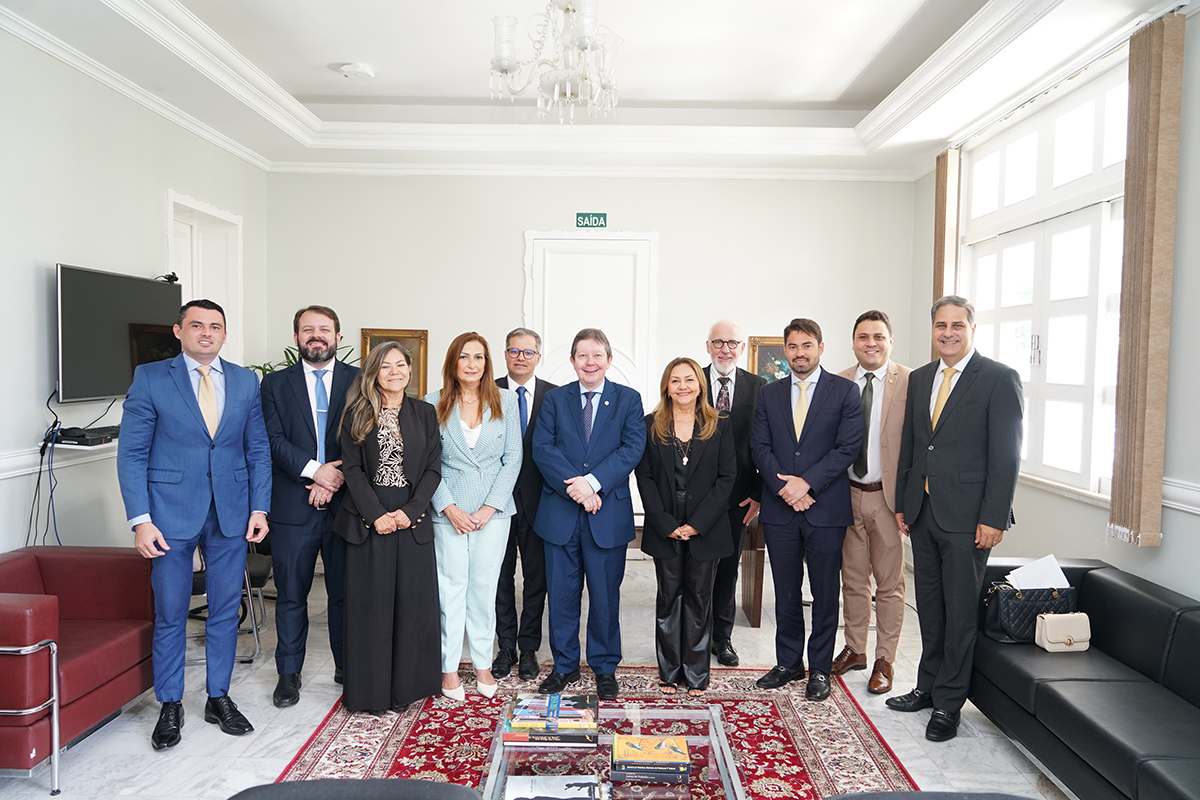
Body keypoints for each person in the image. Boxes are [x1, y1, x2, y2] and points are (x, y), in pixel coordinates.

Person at [117, 299, 271, 750]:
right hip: (168, 515)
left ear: (224, 334)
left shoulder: (245, 380)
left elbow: (257, 449)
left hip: (231, 512)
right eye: (197, 325)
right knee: (171, 612)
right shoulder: (151, 378)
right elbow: (132, 454)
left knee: (225, 609)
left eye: (215, 326)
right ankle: (170, 703)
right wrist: (141, 520)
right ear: (179, 331)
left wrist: (259, 508)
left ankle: (218, 697)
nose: (207, 333)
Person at [888, 295, 1023, 742]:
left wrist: (994, 517)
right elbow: (913, 444)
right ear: (933, 330)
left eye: (957, 325)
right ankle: (926, 686)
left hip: (969, 519)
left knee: (961, 612)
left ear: (972, 329)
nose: (948, 333)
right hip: (923, 513)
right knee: (930, 607)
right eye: (941, 325)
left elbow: (1006, 455)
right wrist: (904, 501)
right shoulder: (922, 377)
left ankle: (949, 703)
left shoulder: (998, 378)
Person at [750, 318, 862, 701]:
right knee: (785, 591)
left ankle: (819, 669)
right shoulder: (768, 393)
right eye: (793, 346)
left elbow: (847, 448)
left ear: (820, 347)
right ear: (785, 350)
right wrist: (787, 489)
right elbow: (759, 447)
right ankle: (788, 663)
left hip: (825, 509)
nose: (800, 353)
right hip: (780, 509)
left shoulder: (845, 391)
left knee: (825, 593)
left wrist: (807, 484)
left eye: (807, 345)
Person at [532, 327, 647, 701]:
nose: (590, 362)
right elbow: (543, 448)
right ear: (572, 361)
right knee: (561, 597)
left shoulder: (628, 399)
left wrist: (594, 483)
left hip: (606, 516)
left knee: (605, 598)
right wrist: (577, 489)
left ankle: (604, 667)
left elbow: (632, 448)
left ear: (609, 360)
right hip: (560, 515)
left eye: (597, 355)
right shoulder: (554, 399)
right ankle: (564, 666)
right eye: (583, 355)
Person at [333, 343, 442, 713]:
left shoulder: (425, 412)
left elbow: (433, 469)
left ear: (410, 370)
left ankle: (406, 691)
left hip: (412, 520)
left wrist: (410, 511)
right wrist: (375, 513)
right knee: (372, 610)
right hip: (368, 520)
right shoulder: (357, 412)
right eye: (385, 366)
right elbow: (351, 469)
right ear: (373, 373)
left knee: (411, 608)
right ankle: (371, 695)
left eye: (400, 365)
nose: (394, 372)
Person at [259, 305, 359, 708]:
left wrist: (335, 478)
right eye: (308, 329)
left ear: (337, 337)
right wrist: (316, 472)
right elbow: (271, 438)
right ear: (296, 337)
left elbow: (366, 438)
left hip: (346, 506)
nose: (316, 336)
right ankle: (288, 674)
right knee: (290, 596)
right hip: (291, 507)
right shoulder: (274, 384)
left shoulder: (359, 381)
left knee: (344, 595)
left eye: (324, 329)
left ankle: (347, 667)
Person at [425, 332, 522, 700]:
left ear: (487, 363)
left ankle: (483, 664)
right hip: (448, 511)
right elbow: (428, 462)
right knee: (450, 590)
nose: (471, 364)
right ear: (453, 362)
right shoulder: (432, 403)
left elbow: (513, 458)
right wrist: (449, 508)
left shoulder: (506, 401)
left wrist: (488, 508)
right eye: (464, 356)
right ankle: (448, 668)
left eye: (478, 357)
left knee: (483, 590)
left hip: (492, 513)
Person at [635, 357, 736, 696]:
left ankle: (695, 674)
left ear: (700, 385)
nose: (683, 386)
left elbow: (727, 478)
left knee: (698, 599)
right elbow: (645, 477)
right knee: (668, 598)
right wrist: (665, 523)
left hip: (705, 527)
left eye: (689, 380)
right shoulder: (651, 425)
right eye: (675, 380)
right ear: (666, 387)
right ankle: (669, 671)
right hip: (664, 525)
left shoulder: (719, 424)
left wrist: (697, 524)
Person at [833, 310, 910, 695]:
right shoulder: (839, 382)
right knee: (852, 579)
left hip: (887, 498)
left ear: (890, 341)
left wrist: (909, 502)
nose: (871, 343)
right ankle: (856, 649)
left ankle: (885, 659)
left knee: (890, 585)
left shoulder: (910, 382)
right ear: (853, 342)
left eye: (878, 336)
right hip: (847, 495)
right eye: (863, 337)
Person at [492, 327, 557, 682]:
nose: (521, 357)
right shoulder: (486, 391)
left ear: (538, 357)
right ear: (505, 354)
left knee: (536, 579)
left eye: (528, 352)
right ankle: (505, 647)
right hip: (494, 503)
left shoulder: (556, 396)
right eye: (514, 351)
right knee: (499, 578)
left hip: (540, 504)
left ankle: (529, 647)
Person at [702, 320, 766, 667]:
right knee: (696, 570)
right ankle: (695, 635)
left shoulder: (759, 387)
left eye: (732, 343)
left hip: (739, 498)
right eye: (718, 342)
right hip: (696, 497)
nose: (725, 349)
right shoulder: (692, 380)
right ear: (708, 346)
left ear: (742, 347)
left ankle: (722, 638)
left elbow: (765, 445)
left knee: (728, 570)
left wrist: (758, 493)